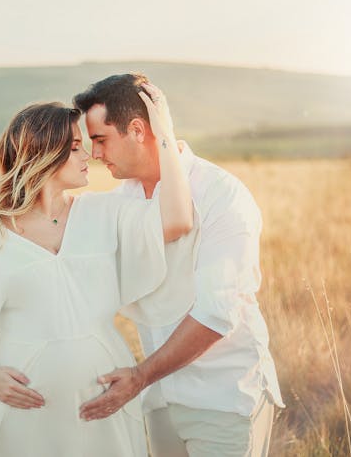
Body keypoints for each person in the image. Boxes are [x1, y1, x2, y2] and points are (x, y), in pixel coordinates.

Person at [0, 87, 197, 456]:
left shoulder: (103, 212)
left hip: (103, 395)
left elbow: (177, 220)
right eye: (75, 147)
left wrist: (165, 133)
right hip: (25, 410)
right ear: (43, 154)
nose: (88, 155)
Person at [72, 73, 284, 457]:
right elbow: (79, 280)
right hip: (158, 401)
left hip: (224, 398)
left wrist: (139, 376)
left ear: (137, 129)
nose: (95, 154)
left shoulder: (222, 195)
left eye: (101, 140)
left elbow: (218, 313)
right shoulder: (123, 200)